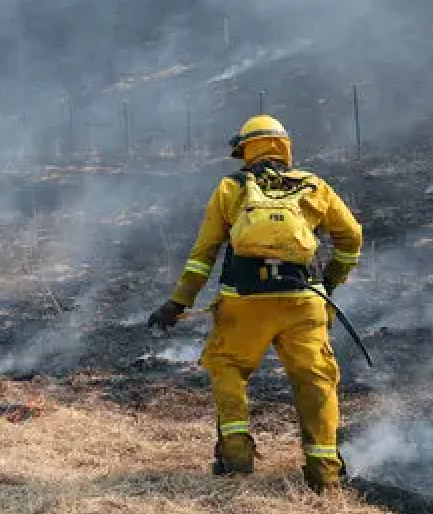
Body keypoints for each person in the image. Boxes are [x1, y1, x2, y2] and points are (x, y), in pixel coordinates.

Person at [148, 114, 363, 493]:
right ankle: (324, 473)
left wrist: (177, 303)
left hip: (243, 302)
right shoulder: (314, 186)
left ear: (245, 149)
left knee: (228, 367)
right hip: (303, 303)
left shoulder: (232, 188)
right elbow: (351, 237)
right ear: (284, 147)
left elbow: (204, 254)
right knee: (315, 382)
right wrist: (330, 281)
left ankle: (235, 456)